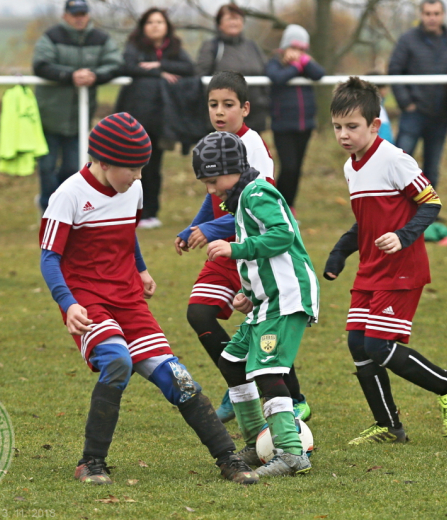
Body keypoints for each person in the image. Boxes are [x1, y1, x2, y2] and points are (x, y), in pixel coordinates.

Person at [39, 112, 258, 486]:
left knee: (180, 379)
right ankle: (91, 462)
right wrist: (69, 303)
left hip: (128, 299)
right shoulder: (69, 195)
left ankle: (229, 459)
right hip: (89, 300)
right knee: (118, 361)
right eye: (133, 169)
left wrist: (139, 269)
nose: (139, 177)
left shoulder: (132, 190)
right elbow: (49, 257)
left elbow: (126, 235)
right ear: (103, 161)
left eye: (143, 168)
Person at [324, 77, 447, 444]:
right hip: (370, 269)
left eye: (352, 127)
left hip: (401, 269)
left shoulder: (394, 158)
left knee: (378, 345)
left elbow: (432, 203)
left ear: (375, 125)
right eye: (337, 127)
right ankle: (389, 426)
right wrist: (340, 252)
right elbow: (366, 221)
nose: (344, 134)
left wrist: (403, 236)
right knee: (358, 345)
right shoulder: (351, 167)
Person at [175, 71, 311, 425]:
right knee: (200, 313)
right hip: (223, 247)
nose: (219, 112)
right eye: (213, 105)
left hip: (252, 249)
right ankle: (241, 384)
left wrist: (210, 230)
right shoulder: (215, 141)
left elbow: (260, 210)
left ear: (246, 108)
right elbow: (215, 198)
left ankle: (290, 396)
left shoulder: (253, 148)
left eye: (228, 105)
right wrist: (192, 228)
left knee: (265, 320)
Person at [195, 132, 319, 477]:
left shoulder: (258, 192)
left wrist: (234, 248)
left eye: (213, 181)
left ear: (233, 170)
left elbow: (283, 235)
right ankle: (256, 441)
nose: (211, 190)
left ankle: (293, 455)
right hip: (268, 299)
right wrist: (249, 293)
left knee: (267, 370)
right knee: (232, 361)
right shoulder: (240, 200)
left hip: (289, 297)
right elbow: (266, 257)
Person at [33, 0, 123, 212]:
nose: (79, 17)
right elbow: (41, 65)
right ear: (65, 15)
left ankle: (64, 208)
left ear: (88, 15)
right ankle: (47, 205)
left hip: (79, 118)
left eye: (83, 13)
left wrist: (95, 76)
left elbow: (116, 63)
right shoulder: (51, 36)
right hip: (49, 115)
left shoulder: (101, 38)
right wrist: (70, 75)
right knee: (46, 166)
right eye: (75, 14)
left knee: (73, 167)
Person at [115, 8, 195, 230]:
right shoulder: (134, 46)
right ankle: (130, 212)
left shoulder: (175, 48)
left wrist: (159, 66)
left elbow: (188, 68)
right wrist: (158, 74)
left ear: (167, 25)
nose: (155, 25)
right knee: (131, 167)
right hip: (136, 117)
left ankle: (151, 211)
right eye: (150, 22)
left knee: (154, 166)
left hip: (162, 119)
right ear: (143, 26)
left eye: (159, 21)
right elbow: (128, 67)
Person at [388, 0, 447, 188]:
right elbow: (394, 70)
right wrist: (406, 103)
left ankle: (427, 214)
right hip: (414, 113)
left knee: (432, 169)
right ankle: (395, 212)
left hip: (440, 116)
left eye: (436, 13)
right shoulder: (407, 40)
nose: (432, 18)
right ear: (421, 15)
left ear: (443, 15)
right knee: (400, 165)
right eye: (428, 13)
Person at [266, 24, 325, 214]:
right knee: (288, 167)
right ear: (284, 47)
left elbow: (319, 74)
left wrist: (304, 63)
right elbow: (277, 78)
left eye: (302, 50)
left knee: (297, 168)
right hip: (283, 125)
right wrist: (295, 67)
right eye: (294, 48)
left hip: (305, 125)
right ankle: (278, 206)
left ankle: (290, 207)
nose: (298, 53)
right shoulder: (275, 63)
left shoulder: (306, 66)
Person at [196, 4, 269, 133]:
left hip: (255, 115)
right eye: (229, 18)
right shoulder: (212, 47)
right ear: (219, 24)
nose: (234, 22)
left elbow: (266, 71)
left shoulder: (252, 46)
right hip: (224, 119)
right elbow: (200, 77)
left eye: (237, 18)